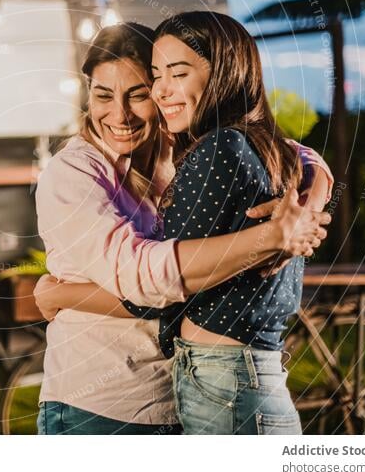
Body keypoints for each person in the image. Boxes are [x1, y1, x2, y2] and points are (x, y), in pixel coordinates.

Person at [32, 22, 332, 435]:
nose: (119, 114)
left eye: (137, 94)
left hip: (185, 399)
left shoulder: (188, 148)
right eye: (103, 96)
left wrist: (310, 196)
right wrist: (272, 238)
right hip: (103, 406)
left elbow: (291, 151)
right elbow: (140, 277)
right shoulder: (74, 173)